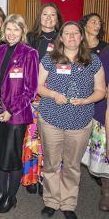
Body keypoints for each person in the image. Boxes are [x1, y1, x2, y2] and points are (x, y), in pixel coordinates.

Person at [38, 21, 105, 219]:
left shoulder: (93, 61)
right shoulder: (50, 59)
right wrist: (52, 94)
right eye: (67, 33)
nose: (72, 37)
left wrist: (87, 99)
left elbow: (101, 90)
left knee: (72, 165)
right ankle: (51, 201)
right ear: (61, 37)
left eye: (75, 33)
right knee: (51, 163)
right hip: (51, 119)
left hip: (80, 122)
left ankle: (68, 204)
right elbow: (38, 86)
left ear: (81, 36)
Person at [0, 14, 39, 213]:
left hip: (16, 115)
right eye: (8, 29)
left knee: (12, 158)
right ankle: (0, 193)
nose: (11, 33)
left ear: (22, 31)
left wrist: (11, 110)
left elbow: (31, 90)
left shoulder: (29, 53)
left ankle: (11, 197)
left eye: (16, 29)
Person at [22, 3, 62, 195]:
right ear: (40, 17)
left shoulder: (64, 38)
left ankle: (46, 178)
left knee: (51, 139)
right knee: (32, 136)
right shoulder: (30, 37)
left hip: (55, 96)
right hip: (32, 94)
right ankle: (31, 177)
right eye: (45, 14)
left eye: (52, 15)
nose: (48, 18)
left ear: (57, 18)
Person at [82, 46, 109, 212]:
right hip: (104, 112)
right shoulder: (106, 54)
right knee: (105, 158)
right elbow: (96, 81)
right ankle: (106, 191)